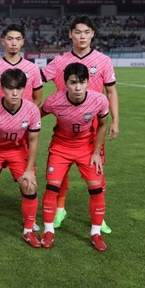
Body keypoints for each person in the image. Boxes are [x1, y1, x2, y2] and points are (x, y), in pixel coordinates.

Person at [41, 15, 119, 234]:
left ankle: (98, 218)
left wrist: (116, 120)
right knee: (60, 173)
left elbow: (111, 91)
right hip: (65, 124)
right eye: (78, 32)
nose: (82, 36)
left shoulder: (103, 61)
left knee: (97, 172)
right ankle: (59, 209)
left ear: (93, 33)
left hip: (94, 127)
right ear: (70, 34)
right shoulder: (59, 61)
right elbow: (37, 80)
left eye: (87, 32)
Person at [0, 23, 43, 232]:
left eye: (18, 39)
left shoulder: (32, 69)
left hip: (21, 136)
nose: (14, 43)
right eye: (10, 39)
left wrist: (20, 119)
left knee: (28, 180)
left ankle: (29, 221)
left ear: (23, 41)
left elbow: (37, 99)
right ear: (3, 41)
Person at [40, 62, 109, 251]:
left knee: (96, 190)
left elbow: (103, 124)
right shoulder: (53, 101)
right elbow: (35, 115)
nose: (77, 87)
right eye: (72, 82)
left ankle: (96, 233)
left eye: (82, 82)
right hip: (60, 148)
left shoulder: (99, 100)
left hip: (86, 149)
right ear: (65, 83)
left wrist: (96, 152)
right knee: (52, 188)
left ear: (88, 82)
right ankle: (48, 231)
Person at [0, 68, 41, 249]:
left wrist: (29, 170)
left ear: (24, 89)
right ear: (2, 88)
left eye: (19, 88)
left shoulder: (31, 110)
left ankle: (28, 231)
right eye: (10, 88)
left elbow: (34, 141)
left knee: (29, 185)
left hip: (17, 150)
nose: (14, 93)